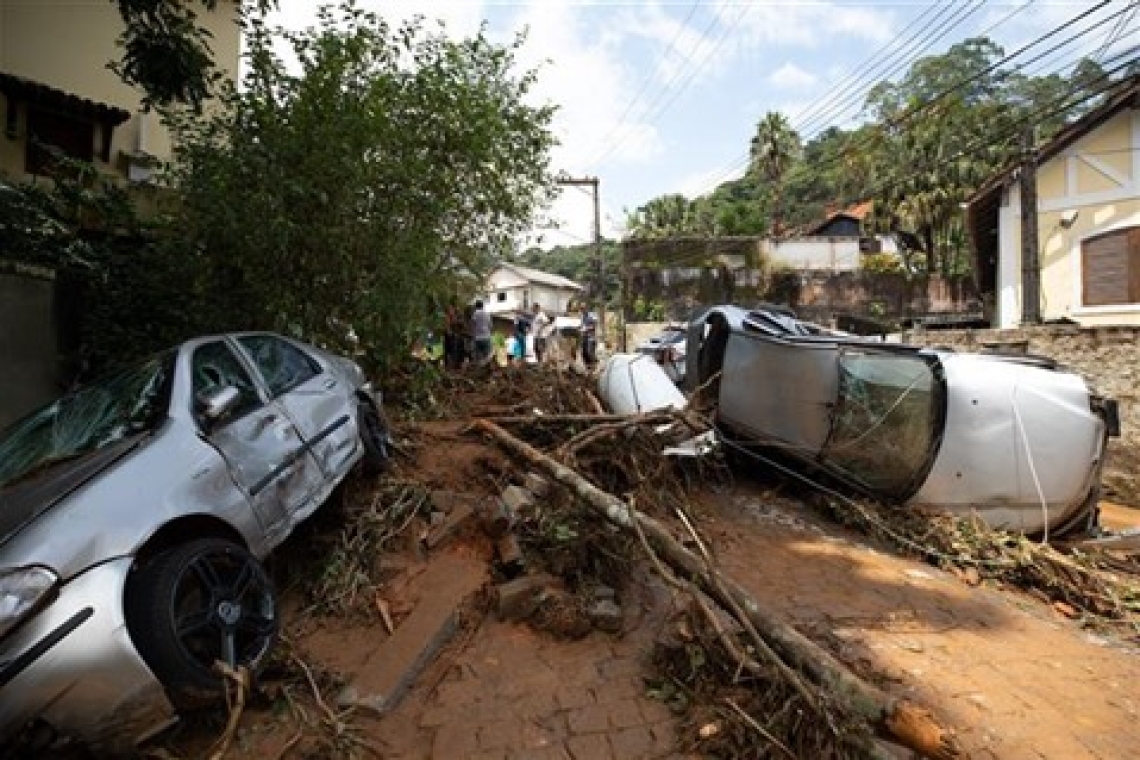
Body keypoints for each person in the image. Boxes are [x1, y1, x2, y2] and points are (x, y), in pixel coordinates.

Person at [471, 299, 492, 366]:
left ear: (476, 306)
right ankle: (487, 373)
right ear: (482, 306)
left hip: (477, 339)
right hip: (486, 337)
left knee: (478, 358)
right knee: (487, 357)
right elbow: (490, 326)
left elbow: (473, 324)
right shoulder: (487, 314)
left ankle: (479, 371)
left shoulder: (475, 313)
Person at [579, 302, 598, 368]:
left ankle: (594, 365)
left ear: (587, 308)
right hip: (584, 336)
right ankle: (588, 367)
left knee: (589, 351)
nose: (583, 310)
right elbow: (581, 325)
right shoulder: (582, 316)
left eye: (584, 308)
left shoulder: (592, 315)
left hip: (591, 336)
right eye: (581, 309)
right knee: (583, 353)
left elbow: (594, 325)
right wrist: (580, 328)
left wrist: (586, 328)